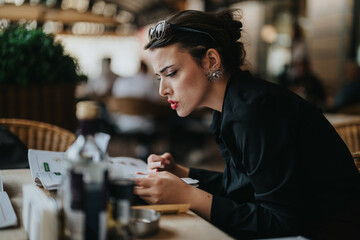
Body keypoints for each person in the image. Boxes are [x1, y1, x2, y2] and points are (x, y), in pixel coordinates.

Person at [133, 9, 360, 239]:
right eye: (158, 77)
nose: (162, 90)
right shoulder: (231, 106)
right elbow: (243, 187)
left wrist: (188, 196)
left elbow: (281, 220)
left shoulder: (255, 111)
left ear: (211, 60)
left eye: (171, 73)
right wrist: (182, 173)